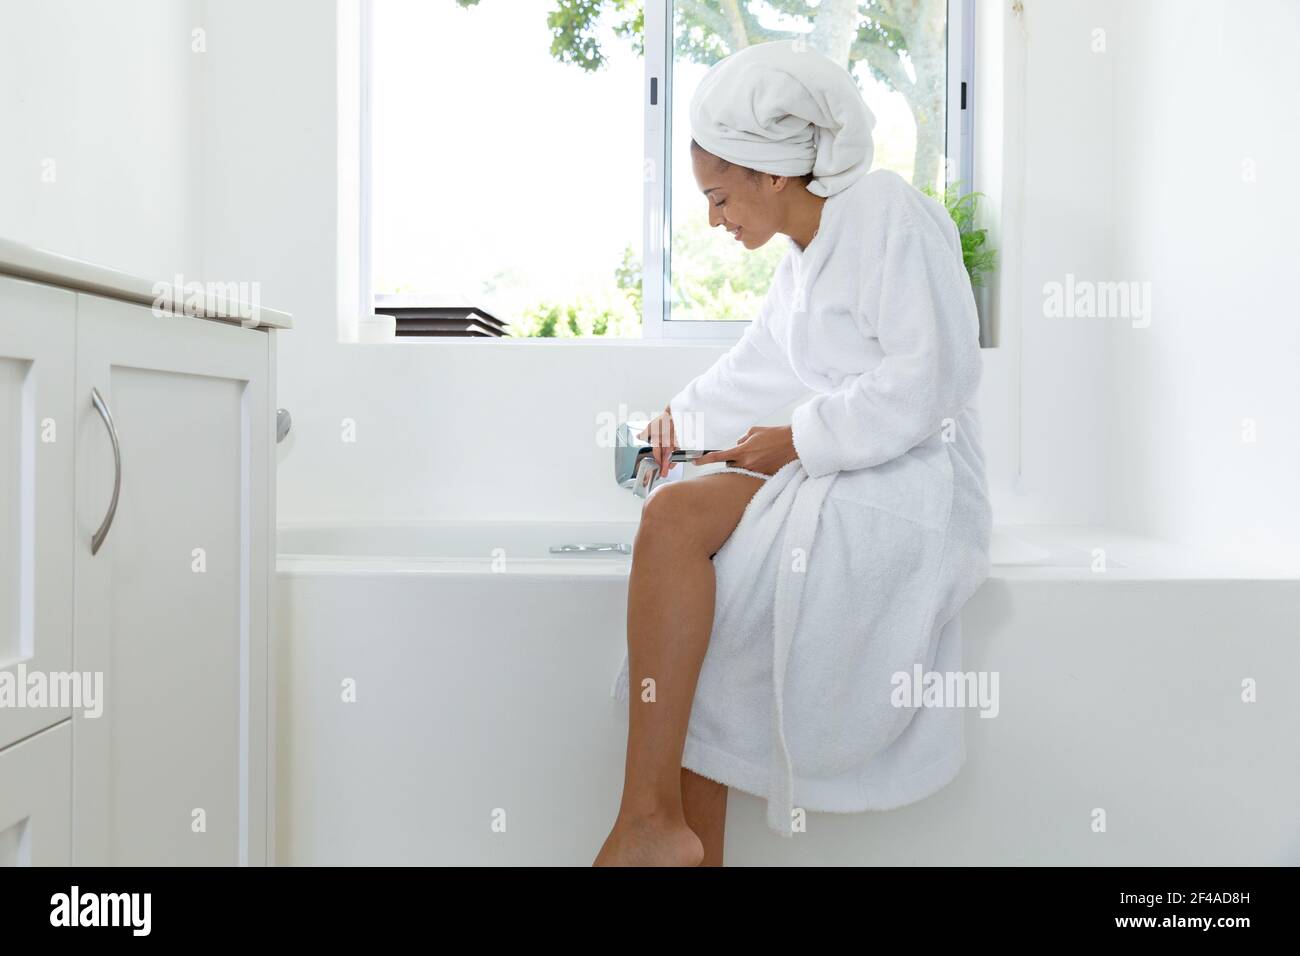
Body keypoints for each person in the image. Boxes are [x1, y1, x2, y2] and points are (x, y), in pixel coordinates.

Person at [595, 39, 992, 867]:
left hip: (914, 486)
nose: (713, 220)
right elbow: (756, 368)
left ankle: (646, 825)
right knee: (685, 539)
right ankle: (662, 831)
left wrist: (798, 440)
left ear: (773, 173)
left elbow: (936, 375)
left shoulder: (889, 214)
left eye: (718, 196)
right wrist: (675, 421)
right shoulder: (802, 267)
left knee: (687, 534)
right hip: (842, 471)